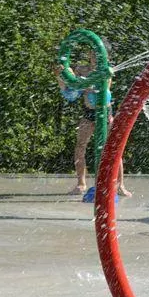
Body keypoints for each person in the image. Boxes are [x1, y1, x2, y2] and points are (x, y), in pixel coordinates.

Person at [55, 51, 130, 198]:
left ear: (106, 57)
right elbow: (72, 88)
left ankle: (120, 185)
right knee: (80, 146)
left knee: (114, 149)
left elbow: (98, 87)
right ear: (89, 55)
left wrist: (80, 82)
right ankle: (81, 184)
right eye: (94, 55)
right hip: (88, 114)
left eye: (100, 56)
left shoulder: (106, 70)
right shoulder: (82, 69)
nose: (96, 58)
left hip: (105, 114)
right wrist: (63, 75)